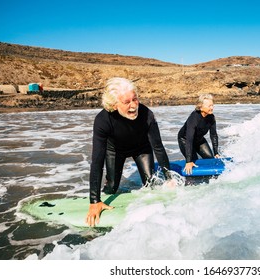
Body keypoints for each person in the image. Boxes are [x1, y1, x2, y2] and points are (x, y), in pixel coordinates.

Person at [86, 77, 172, 227]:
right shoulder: (102, 120)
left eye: (135, 99)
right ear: (114, 105)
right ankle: (109, 191)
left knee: (150, 183)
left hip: (141, 149)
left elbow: (158, 147)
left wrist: (169, 178)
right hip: (115, 151)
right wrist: (94, 200)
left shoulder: (147, 114)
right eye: (126, 102)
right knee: (112, 188)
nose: (133, 106)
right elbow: (97, 161)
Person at [178, 93, 220, 175]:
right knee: (193, 162)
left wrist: (216, 153)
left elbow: (213, 135)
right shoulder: (193, 118)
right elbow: (189, 139)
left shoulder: (211, 117)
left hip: (199, 140)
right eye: (209, 106)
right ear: (200, 107)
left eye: (212, 105)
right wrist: (188, 161)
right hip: (185, 140)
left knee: (210, 160)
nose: (212, 108)